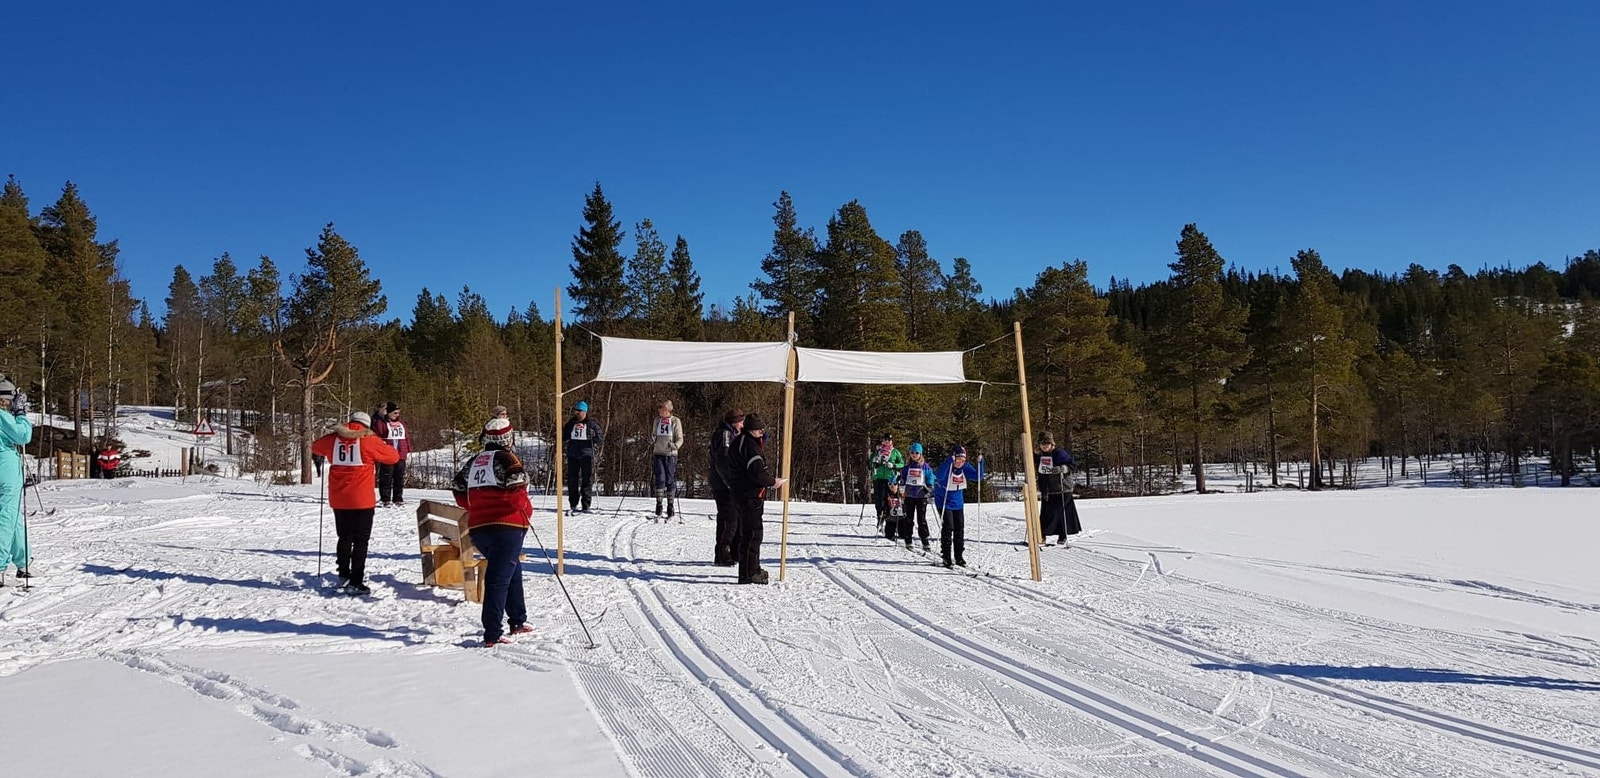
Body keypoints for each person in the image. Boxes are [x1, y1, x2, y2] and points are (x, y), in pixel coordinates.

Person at [452, 417, 534, 647]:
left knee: (512, 570)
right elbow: (517, 492)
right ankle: (492, 633)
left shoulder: (474, 461)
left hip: (480, 528)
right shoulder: (508, 459)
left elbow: (458, 488)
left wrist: (475, 506)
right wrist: (524, 507)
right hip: (507, 526)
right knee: (498, 578)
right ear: (508, 439)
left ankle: (517, 620)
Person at [311, 410, 401, 594]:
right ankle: (356, 581)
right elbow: (393, 457)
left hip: (339, 498)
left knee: (344, 537)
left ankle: (343, 575)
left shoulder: (334, 439)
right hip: (362, 499)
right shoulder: (369, 440)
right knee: (361, 541)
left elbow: (316, 446)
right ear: (366, 425)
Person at [728, 412, 785, 584]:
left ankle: (753, 567)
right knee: (752, 534)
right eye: (760, 431)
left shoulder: (739, 442)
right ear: (753, 431)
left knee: (749, 533)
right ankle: (748, 573)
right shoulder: (750, 446)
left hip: (741, 493)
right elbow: (757, 474)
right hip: (750, 495)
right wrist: (773, 482)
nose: (762, 434)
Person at [0, 378, 34, 581]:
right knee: (5, 516)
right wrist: (20, 414)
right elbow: (23, 435)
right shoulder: (2, 415)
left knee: (12, 515)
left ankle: (24, 560)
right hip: (5, 469)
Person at [932, 445, 982, 569]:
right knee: (948, 527)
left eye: (962, 460)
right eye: (958, 459)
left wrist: (980, 463)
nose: (960, 462)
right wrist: (948, 462)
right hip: (944, 501)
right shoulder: (947, 465)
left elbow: (978, 476)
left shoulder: (965, 467)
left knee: (959, 528)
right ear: (953, 457)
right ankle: (946, 556)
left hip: (958, 503)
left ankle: (959, 556)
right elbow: (939, 476)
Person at [708, 408, 744, 566]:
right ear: (734, 422)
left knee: (726, 517)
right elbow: (722, 461)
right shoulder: (725, 435)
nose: (742, 425)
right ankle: (724, 552)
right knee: (731, 519)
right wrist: (730, 482)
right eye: (741, 422)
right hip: (722, 483)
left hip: (723, 481)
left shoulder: (730, 433)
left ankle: (728, 553)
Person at [1034, 432, 1082, 546]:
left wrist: (1063, 468)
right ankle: (1042, 535)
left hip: (1062, 487)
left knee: (1062, 513)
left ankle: (1062, 535)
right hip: (1047, 488)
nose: (1045, 446)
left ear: (1052, 444)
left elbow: (1072, 465)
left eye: (1047, 443)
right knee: (1046, 513)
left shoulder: (1059, 453)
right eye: (1043, 444)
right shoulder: (1039, 456)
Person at [893, 442, 937, 552]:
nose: (914, 455)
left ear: (920, 454)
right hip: (909, 496)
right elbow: (903, 478)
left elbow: (930, 477)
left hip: (921, 495)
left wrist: (930, 487)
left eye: (917, 453)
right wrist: (900, 481)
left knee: (921, 519)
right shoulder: (907, 467)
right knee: (909, 518)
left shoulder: (925, 467)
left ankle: (925, 540)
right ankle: (908, 539)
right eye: (912, 452)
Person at [562, 400, 602, 512]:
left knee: (587, 480)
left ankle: (586, 504)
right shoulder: (571, 424)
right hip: (573, 455)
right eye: (576, 411)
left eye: (580, 411)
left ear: (585, 412)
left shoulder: (591, 424)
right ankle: (573, 504)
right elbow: (563, 437)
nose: (577, 413)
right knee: (572, 480)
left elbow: (600, 440)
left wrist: (594, 436)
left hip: (586, 455)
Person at [372, 402, 411, 507]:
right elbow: (376, 436)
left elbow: (406, 436)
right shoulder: (381, 423)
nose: (397, 415)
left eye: (398, 413)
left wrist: (408, 448)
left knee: (399, 477)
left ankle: (398, 498)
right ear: (388, 412)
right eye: (394, 413)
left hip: (400, 453)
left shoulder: (401, 423)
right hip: (388, 454)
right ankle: (385, 499)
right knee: (386, 477)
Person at [650, 399, 684, 520]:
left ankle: (670, 505)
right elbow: (654, 434)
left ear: (667, 410)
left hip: (670, 454)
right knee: (660, 478)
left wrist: (675, 445)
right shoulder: (657, 420)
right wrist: (652, 439)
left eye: (661, 408)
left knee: (670, 479)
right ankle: (659, 504)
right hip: (658, 453)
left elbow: (680, 438)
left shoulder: (675, 421)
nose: (659, 410)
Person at [869, 433, 905, 531]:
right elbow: (870, 464)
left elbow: (902, 463)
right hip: (879, 477)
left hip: (891, 479)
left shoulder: (895, 452)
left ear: (891, 441)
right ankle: (880, 518)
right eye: (885, 440)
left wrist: (893, 465)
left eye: (889, 440)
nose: (887, 442)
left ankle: (892, 520)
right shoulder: (878, 451)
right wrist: (874, 461)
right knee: (879, 500)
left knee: (891, 500)